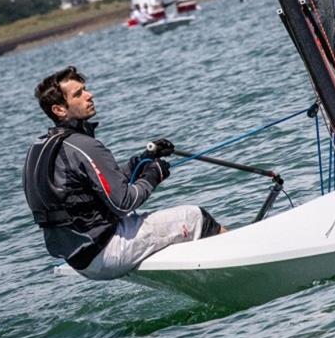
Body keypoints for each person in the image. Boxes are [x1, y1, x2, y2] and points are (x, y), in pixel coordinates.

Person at [22, 66, 224, 280]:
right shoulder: (83, 146)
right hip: (107, 251)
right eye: (78, 94)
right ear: (59, 110)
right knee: (195, 216)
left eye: (85, 89)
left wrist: (144, 160)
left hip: (79, 258)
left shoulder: (42, 147)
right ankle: (234, 268)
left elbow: (101, 186)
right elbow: (123, 203)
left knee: (171, 222)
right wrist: (153, 175)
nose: (89, 95)